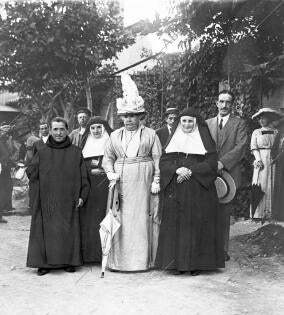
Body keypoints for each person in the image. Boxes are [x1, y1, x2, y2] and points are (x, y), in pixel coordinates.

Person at [102, 73, 162, 272]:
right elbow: (108, 158)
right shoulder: (114, 136)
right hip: (121, 181)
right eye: (125, 116)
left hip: (143, 181)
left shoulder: (151, 134)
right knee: (121, 216)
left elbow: (158, 159)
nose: (129, 119)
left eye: (133, 115)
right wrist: (110, 172)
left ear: (140, 116)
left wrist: (156, 180)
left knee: (142, 218)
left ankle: (142, 261)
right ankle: (120, 261)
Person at [155, 108, 224, 275]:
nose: (186, 124)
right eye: (184, 121)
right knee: (176, 225)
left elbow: (212, 163)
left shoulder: (205, 140)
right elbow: (164, 162)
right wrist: (178, 170)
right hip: (176, 189)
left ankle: (196, 265)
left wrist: (191, 171)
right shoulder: (173, 140)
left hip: (199, 190)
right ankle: (175, 264)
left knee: (197, 225)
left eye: (190, 121)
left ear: (196, 123)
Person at [26, 117, 90, 276]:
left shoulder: (76, 152)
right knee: (46, 231)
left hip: (69, 200)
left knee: (67, 229)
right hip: (47, 200)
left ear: (67, 130)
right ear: (50, 131)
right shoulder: (42, 151)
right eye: (55, 129)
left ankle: (68, 261)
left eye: (62, 129)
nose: (59, 133)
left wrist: (82, 195)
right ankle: (44, 264)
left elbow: (84, 177)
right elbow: (32, 173)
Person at [206, 91, 247, 261]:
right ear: (216, 103)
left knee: (223, 213)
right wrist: (208, 164)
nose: (224, 106)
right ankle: (207, 248)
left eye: (228, 102)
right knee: (207, 212)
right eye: (221, 102)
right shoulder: (207, 123)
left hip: (228, 176)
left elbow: (241, 147)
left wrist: (222, 163)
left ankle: (222, 250)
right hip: (207, 174)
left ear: (232, 105)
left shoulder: (239, 124)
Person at [79, 116, 112, 262]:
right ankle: (90, 255)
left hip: (107, 186)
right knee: (90, 219)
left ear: (104, 128)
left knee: (106, 217)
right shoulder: (85, 144)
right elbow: (79, 165)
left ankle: (106, 256)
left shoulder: (111, 142)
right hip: (91, 186)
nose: (96, 131)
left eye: (99, 127)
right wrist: (90, 171)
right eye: (92, 128)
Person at [250, 108, 281, 220]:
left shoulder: (277, 132)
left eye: (264, 117)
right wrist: (258, 159)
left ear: (270, 118)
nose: (262, 120)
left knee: (272, 183)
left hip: (273, 160)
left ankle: (271, 213)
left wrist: (277, 158)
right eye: (260, 118)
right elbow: (254, 148)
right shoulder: (256, 132)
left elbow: (279, 148)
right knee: (260, 184)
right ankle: (258, 214)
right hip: (261, 159)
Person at [271, 116, 284, 220]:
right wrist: (274, 156)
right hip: (281, 163)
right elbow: (276, 144)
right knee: (280, 185)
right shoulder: (281, 128)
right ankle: (279, 214)